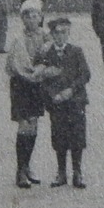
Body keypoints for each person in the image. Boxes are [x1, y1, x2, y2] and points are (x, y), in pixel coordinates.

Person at [38, 15, 91, 188]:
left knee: (77, 135)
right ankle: (61, 172)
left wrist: (71, 90)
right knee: (59, 135)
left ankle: (77, 172)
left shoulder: (76, 51)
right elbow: (42, 77)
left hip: (75, 100)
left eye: (64, 32)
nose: (60, 36)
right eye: (57, 33)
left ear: (68, 33)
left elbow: (85, 74)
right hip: (57, 102)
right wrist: (54, 94)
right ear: (52, 34)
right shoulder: (47, 53)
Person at [7, 0, 54, 188]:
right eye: (28, 16)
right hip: (22, 85)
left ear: (41, 17)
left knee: (33, 125)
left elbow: (53, 55)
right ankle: (20, 169)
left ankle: (27, 166)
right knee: (24, 125)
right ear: (23, 19)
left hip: (37, 86)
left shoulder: (46, 37)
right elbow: (18, 66)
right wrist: (35, 71)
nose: (32, 19)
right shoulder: (18, 39)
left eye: (36, 15)